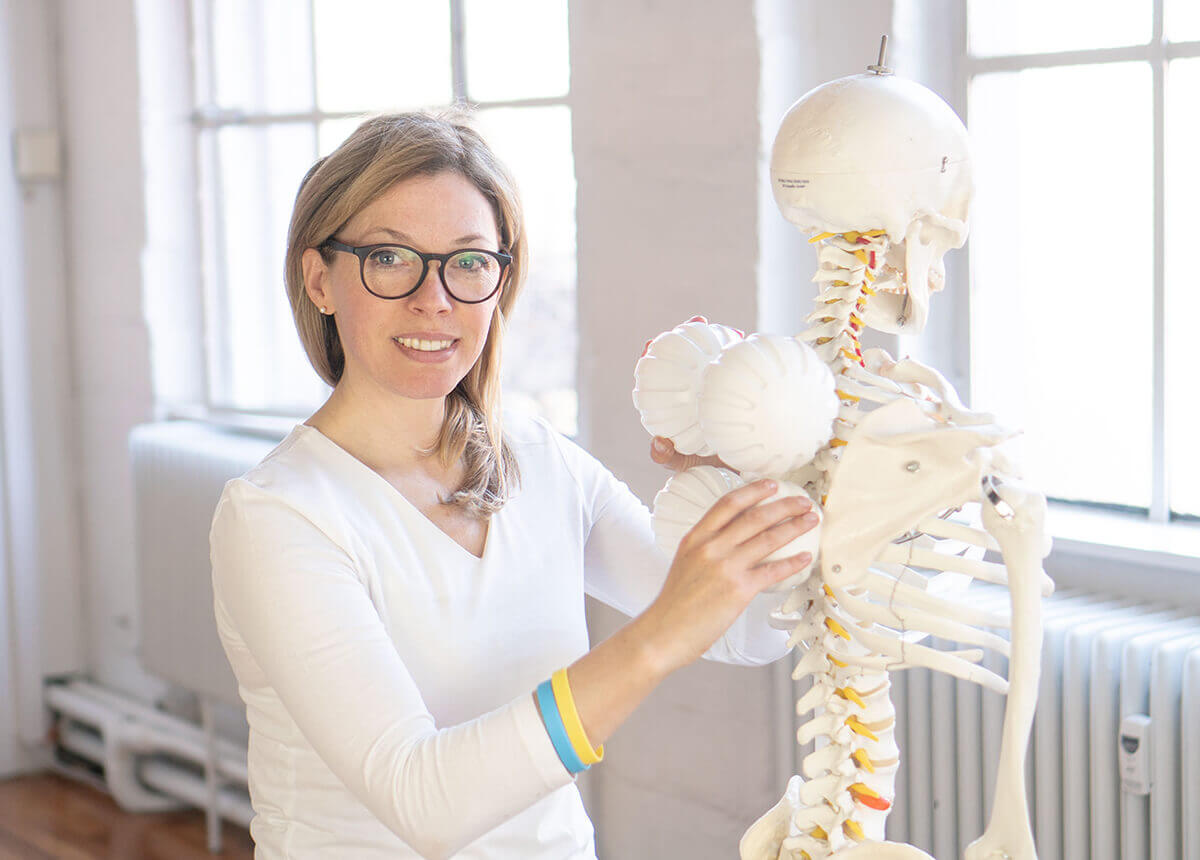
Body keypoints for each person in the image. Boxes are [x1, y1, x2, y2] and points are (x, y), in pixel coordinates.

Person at [209, 111, 819, 860]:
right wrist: (659, 636)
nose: (434, 299)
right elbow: (422, 801)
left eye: (468, 263)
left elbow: (748, 631)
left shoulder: (538, 459)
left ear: (500, 282)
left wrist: (758, 490)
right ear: (319, 279)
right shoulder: (279, 516)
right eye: (392, 258)